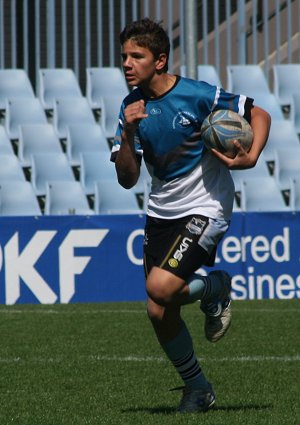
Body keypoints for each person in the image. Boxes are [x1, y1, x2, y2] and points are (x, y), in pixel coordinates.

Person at [111, 18, 271, 413]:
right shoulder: (130, 108)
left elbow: (259, 114)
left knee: (160, 289)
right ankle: (198, 388)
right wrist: (128, 134)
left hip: (205, 205)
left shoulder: (198, 95)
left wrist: (249, 157)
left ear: (160, 60)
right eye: (124, 57)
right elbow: (127, 179)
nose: (127, 64)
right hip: (161, 211)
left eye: (137, 56)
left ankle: (215, 288)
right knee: (157, 309)